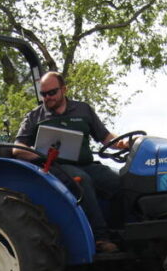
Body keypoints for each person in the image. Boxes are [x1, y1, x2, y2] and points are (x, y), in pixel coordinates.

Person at [12, 71, 125, 253]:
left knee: (119, 181)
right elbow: (17, 148)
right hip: (57, 167)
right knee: (82, 181)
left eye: (52, 93)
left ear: (64, 89)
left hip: (86, 163)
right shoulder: (35, 117)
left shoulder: (83, 110)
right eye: (43, 94)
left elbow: (105, 137)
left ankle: (122, 230)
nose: (47, 98)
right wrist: (42, 154)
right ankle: (100, 238)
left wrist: (123, 143)